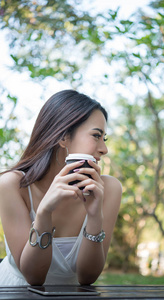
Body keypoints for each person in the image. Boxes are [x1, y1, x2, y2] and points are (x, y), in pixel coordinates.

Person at [0, 89, 122, 286]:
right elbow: (34, 277)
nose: (104, 149)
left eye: (104, 138)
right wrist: (43, 213)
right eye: (96, 136)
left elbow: (87, 278)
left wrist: (94, 216)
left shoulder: (109, 189)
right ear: (64, 137)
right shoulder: (13, 185)